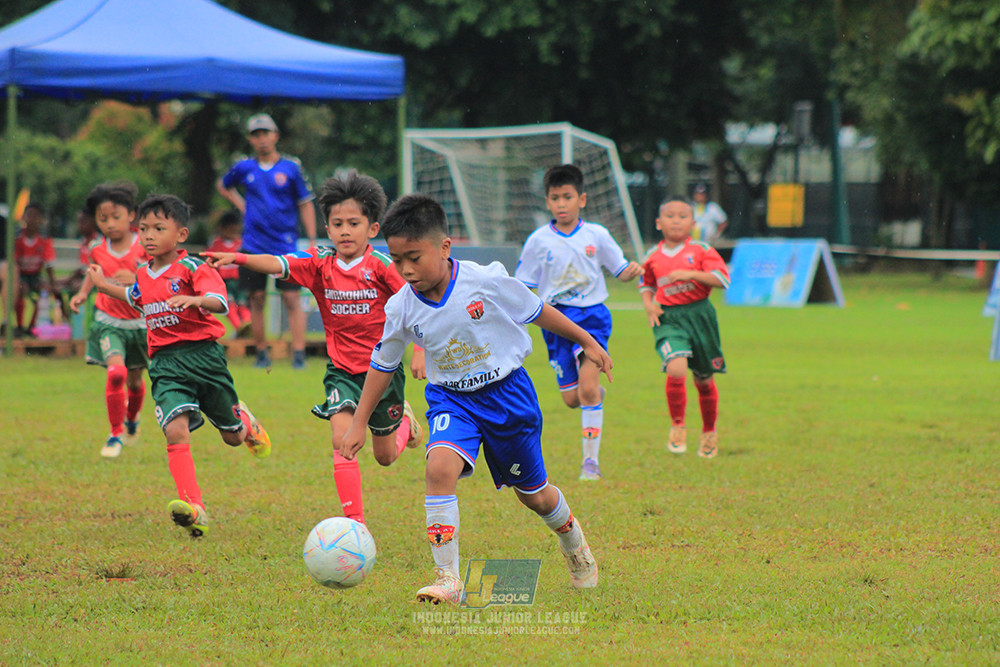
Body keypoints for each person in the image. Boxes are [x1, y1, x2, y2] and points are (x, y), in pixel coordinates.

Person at [340, 193, 608, 605]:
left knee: (533, 495)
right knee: (439, 469)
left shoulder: (486, 280)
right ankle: (447, 577)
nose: (406, 270)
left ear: (444, 247)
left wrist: (588, 341)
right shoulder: (401, 307)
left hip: (509, 398)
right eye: (397, 260)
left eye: (415, 256)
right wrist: (359, 421)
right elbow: (382, 364)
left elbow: (539, 310)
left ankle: (573, 540)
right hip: (451, 400)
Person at [204, 170, 423, 525]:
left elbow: (416, 305)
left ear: (372, 229)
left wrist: (420, 351)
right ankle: (355, 525)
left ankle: (405, 427)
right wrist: (239, 259)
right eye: (337, 223)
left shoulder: (383, 267)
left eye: (354, 222)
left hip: (383, 371)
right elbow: (279, 263)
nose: (345, 231)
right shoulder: (320, 263)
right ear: (328, 228)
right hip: (342, 370)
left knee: (384, 457)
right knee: (343, 439)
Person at [87, 194, 271, 538]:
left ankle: (244, 421)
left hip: (205, 360)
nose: (149, 236)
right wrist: (102, 287)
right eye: (143, 229)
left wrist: (196, 299)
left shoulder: (193, 268)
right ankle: (194, 507)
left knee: (232, 437)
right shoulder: (142, 273)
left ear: (181, 234)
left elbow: (219, 301)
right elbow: (134, 298)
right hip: (166, 364)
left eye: (159, 228)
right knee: (174, 429)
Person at [514, 164, 642, 481]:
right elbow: (523, 284)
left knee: (586, 389)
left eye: (567, 197)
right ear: (547, 202)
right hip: (555, 322)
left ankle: (590, 465)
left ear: (581, 199)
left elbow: (620, 269)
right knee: (573, 399)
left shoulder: (596, 235)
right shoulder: (538, 241)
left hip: (592, 318)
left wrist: (633, 271)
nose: (561, 203)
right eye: (555, 198)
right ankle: (592, 394)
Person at [216, 113, 317, 370]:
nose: (262, 139)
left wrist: (312, 239)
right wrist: (241, 204)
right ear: (251, 139)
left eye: (266, 133)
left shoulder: (291, 168)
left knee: (292, 300)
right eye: (256, 134)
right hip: (253, 244)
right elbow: (223, 185)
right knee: (257, 297)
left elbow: (305, 204)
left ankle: (298, 355)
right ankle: (261, 353)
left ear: (275, 135)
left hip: (285, 245)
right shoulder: (245, 168)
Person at [639, 196, 730, 459]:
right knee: (675, 366)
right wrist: (649, 305)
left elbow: (721, 279)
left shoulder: (701, 250)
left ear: (693, 222)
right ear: (658, 222)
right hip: (669, 319)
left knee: (703, 379)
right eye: (670, 215)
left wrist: (691, 274)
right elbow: (646, 284)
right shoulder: (652, 256)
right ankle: (677, 425)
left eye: (682, 216)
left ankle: (709, 432)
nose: (676, 220)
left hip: (700, 316)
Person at [69, 182, 149, 458]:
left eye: (116, 217)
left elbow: (161, 274)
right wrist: (81, 295)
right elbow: (94, 274)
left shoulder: (145, 245)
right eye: (103, 219)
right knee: (117, 373)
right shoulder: (96, 248)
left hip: (139, 324)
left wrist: (139, 278)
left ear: (132, 215)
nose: (110, 224)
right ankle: (115, 434)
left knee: (136, 382)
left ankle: (132, 419)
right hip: (108, 321)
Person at [13, 203, 60, 336]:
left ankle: (33, 325)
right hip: (20, 275)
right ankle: (20, 325)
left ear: (41, 220)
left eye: (36, 216)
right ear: (23, 217)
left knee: (44, 290)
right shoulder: (17, 238)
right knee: (21, 289)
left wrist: (52, 283)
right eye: (29, 215)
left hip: (35, 275)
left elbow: (49, 265)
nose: (32, 220)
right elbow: (14, 263)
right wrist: (17, 281)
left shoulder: (44, 239)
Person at [205, 210, 251, 336]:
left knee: (242, 303)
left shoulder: (241, 244)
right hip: (224, 282)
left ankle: (248, 325)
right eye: (231, 231)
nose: (234, 234)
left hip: (240, 279)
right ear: (222, 229)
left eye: (236, 231)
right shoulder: (215, 243)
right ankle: (238, 328)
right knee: (229, 304)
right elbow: (210, 261)